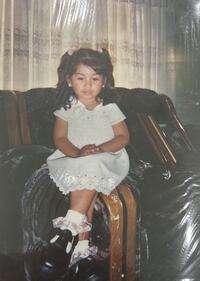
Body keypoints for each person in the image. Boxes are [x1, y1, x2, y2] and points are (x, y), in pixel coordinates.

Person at [41, 48, 130, 275]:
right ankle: (81, 251)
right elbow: (59, 138)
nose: (88, 85)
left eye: (95, 79)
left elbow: (123, 137)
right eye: (81, 78)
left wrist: (99, 148)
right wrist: (77, 153)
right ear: (69, 80)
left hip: (106, 158)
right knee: (84, 182)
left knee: (91, 167)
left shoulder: (109, 108)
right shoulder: (67, 109)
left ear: (104, 82)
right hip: (73, 157)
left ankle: (67, 230)